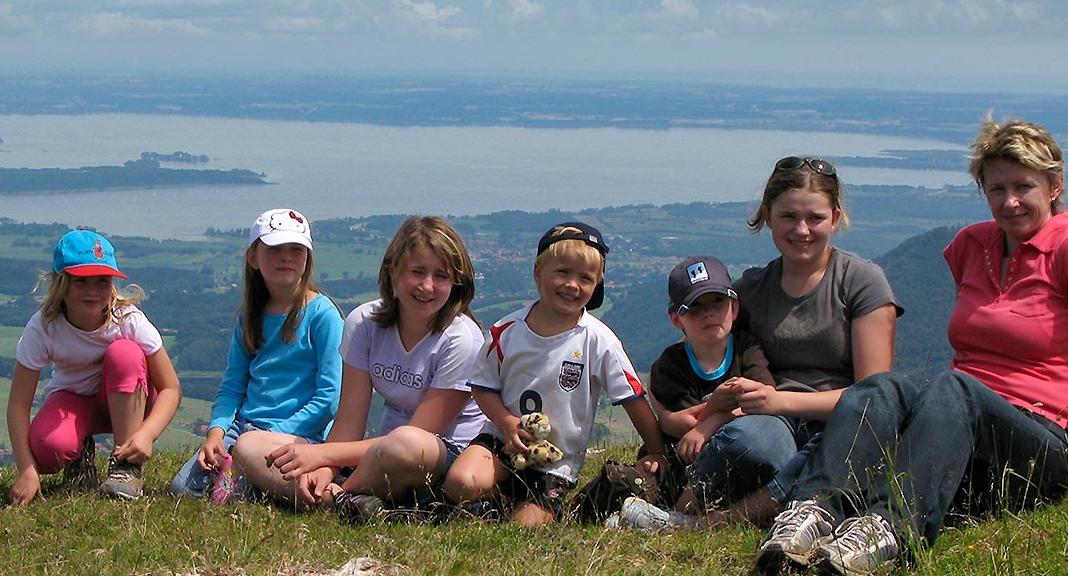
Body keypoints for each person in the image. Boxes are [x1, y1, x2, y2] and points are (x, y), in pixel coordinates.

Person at [756, 118, 1068, 574]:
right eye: (996, 188)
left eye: (1024, 187)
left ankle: (887, 531)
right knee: (880, 388)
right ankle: (809, 515)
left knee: (953, 386)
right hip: (959, 430)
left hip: (1039, 443)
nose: (1010, 201)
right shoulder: (970, 246)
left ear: (1054, 185)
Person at [680, 155, 902, 528]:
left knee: (827, 452)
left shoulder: (862, 281)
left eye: (815, 218)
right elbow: (707, 354)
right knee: (748, 443)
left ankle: (707, 522)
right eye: (789, 217)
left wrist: (779, 400)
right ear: (768, 216)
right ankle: (689, 500)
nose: (802, 230)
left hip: (841, 421)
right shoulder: (751, 289)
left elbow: (872, 397)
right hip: (773, 422)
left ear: (835, 217)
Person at [237, 216, 487, 520]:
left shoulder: (462, 339)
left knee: (405, 443)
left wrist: (320, 456)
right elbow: (348, 422)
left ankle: (335, 500)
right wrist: (326, 470)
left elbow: (420, 434)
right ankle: (340, 498)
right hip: (374, 456)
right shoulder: (363, 323)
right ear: (393, 271)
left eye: (441, 276)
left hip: (439, 461)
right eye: (417, 272)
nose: (427, 286)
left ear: (457, 283)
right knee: (249, 444)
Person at [442, 222, 669, 526]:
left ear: (596, 285)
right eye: (562, 272)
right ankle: (494, 498)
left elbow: (633, 398)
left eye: (585, 278)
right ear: (539, 273)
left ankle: (550, 507)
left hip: (555, 463)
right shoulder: (505, 331)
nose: (573, 285)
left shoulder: (598, 340)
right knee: (461, 482)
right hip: (501, 441)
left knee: (525, 529)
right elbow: (483, 388)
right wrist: (508, 424)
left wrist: (656, 451)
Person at [169, 208, 344, 501]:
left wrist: (266, 436)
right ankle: (258, 480)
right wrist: (216, 433)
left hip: (299, 433)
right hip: (244, 430)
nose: (286, 257)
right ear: (253, 257)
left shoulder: (322, 315)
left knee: (230, 494)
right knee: (184, 488)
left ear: (307, 258)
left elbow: (329, 397)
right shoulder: (250, 317)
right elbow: (232, 386)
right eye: (275, 249)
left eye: (296, 249)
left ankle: (322, 491)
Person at [6, 229, 183, 504]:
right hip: (73, 401)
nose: (92, 291)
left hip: (132, 402)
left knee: (124, 353)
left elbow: (170, 387)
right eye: (81, 282)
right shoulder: (43, 327)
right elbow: (18, 405)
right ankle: (79, 454)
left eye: (102, 281)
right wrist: (27, 470)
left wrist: (147, 434)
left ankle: (126, 467)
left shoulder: (128, 320)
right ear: (60, 282)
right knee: (47, 449)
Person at [616, 255, 776, 530]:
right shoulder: (670, 365)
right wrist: (723, 409)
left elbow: (765, 397)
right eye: (695, 307)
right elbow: (684, 427)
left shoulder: (747, 348)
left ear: (734, 308)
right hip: (683, 465)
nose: (708, 312)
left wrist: (712, 418)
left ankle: (677, 517)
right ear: (677, 319)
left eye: (718, 302)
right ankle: (672, 515)